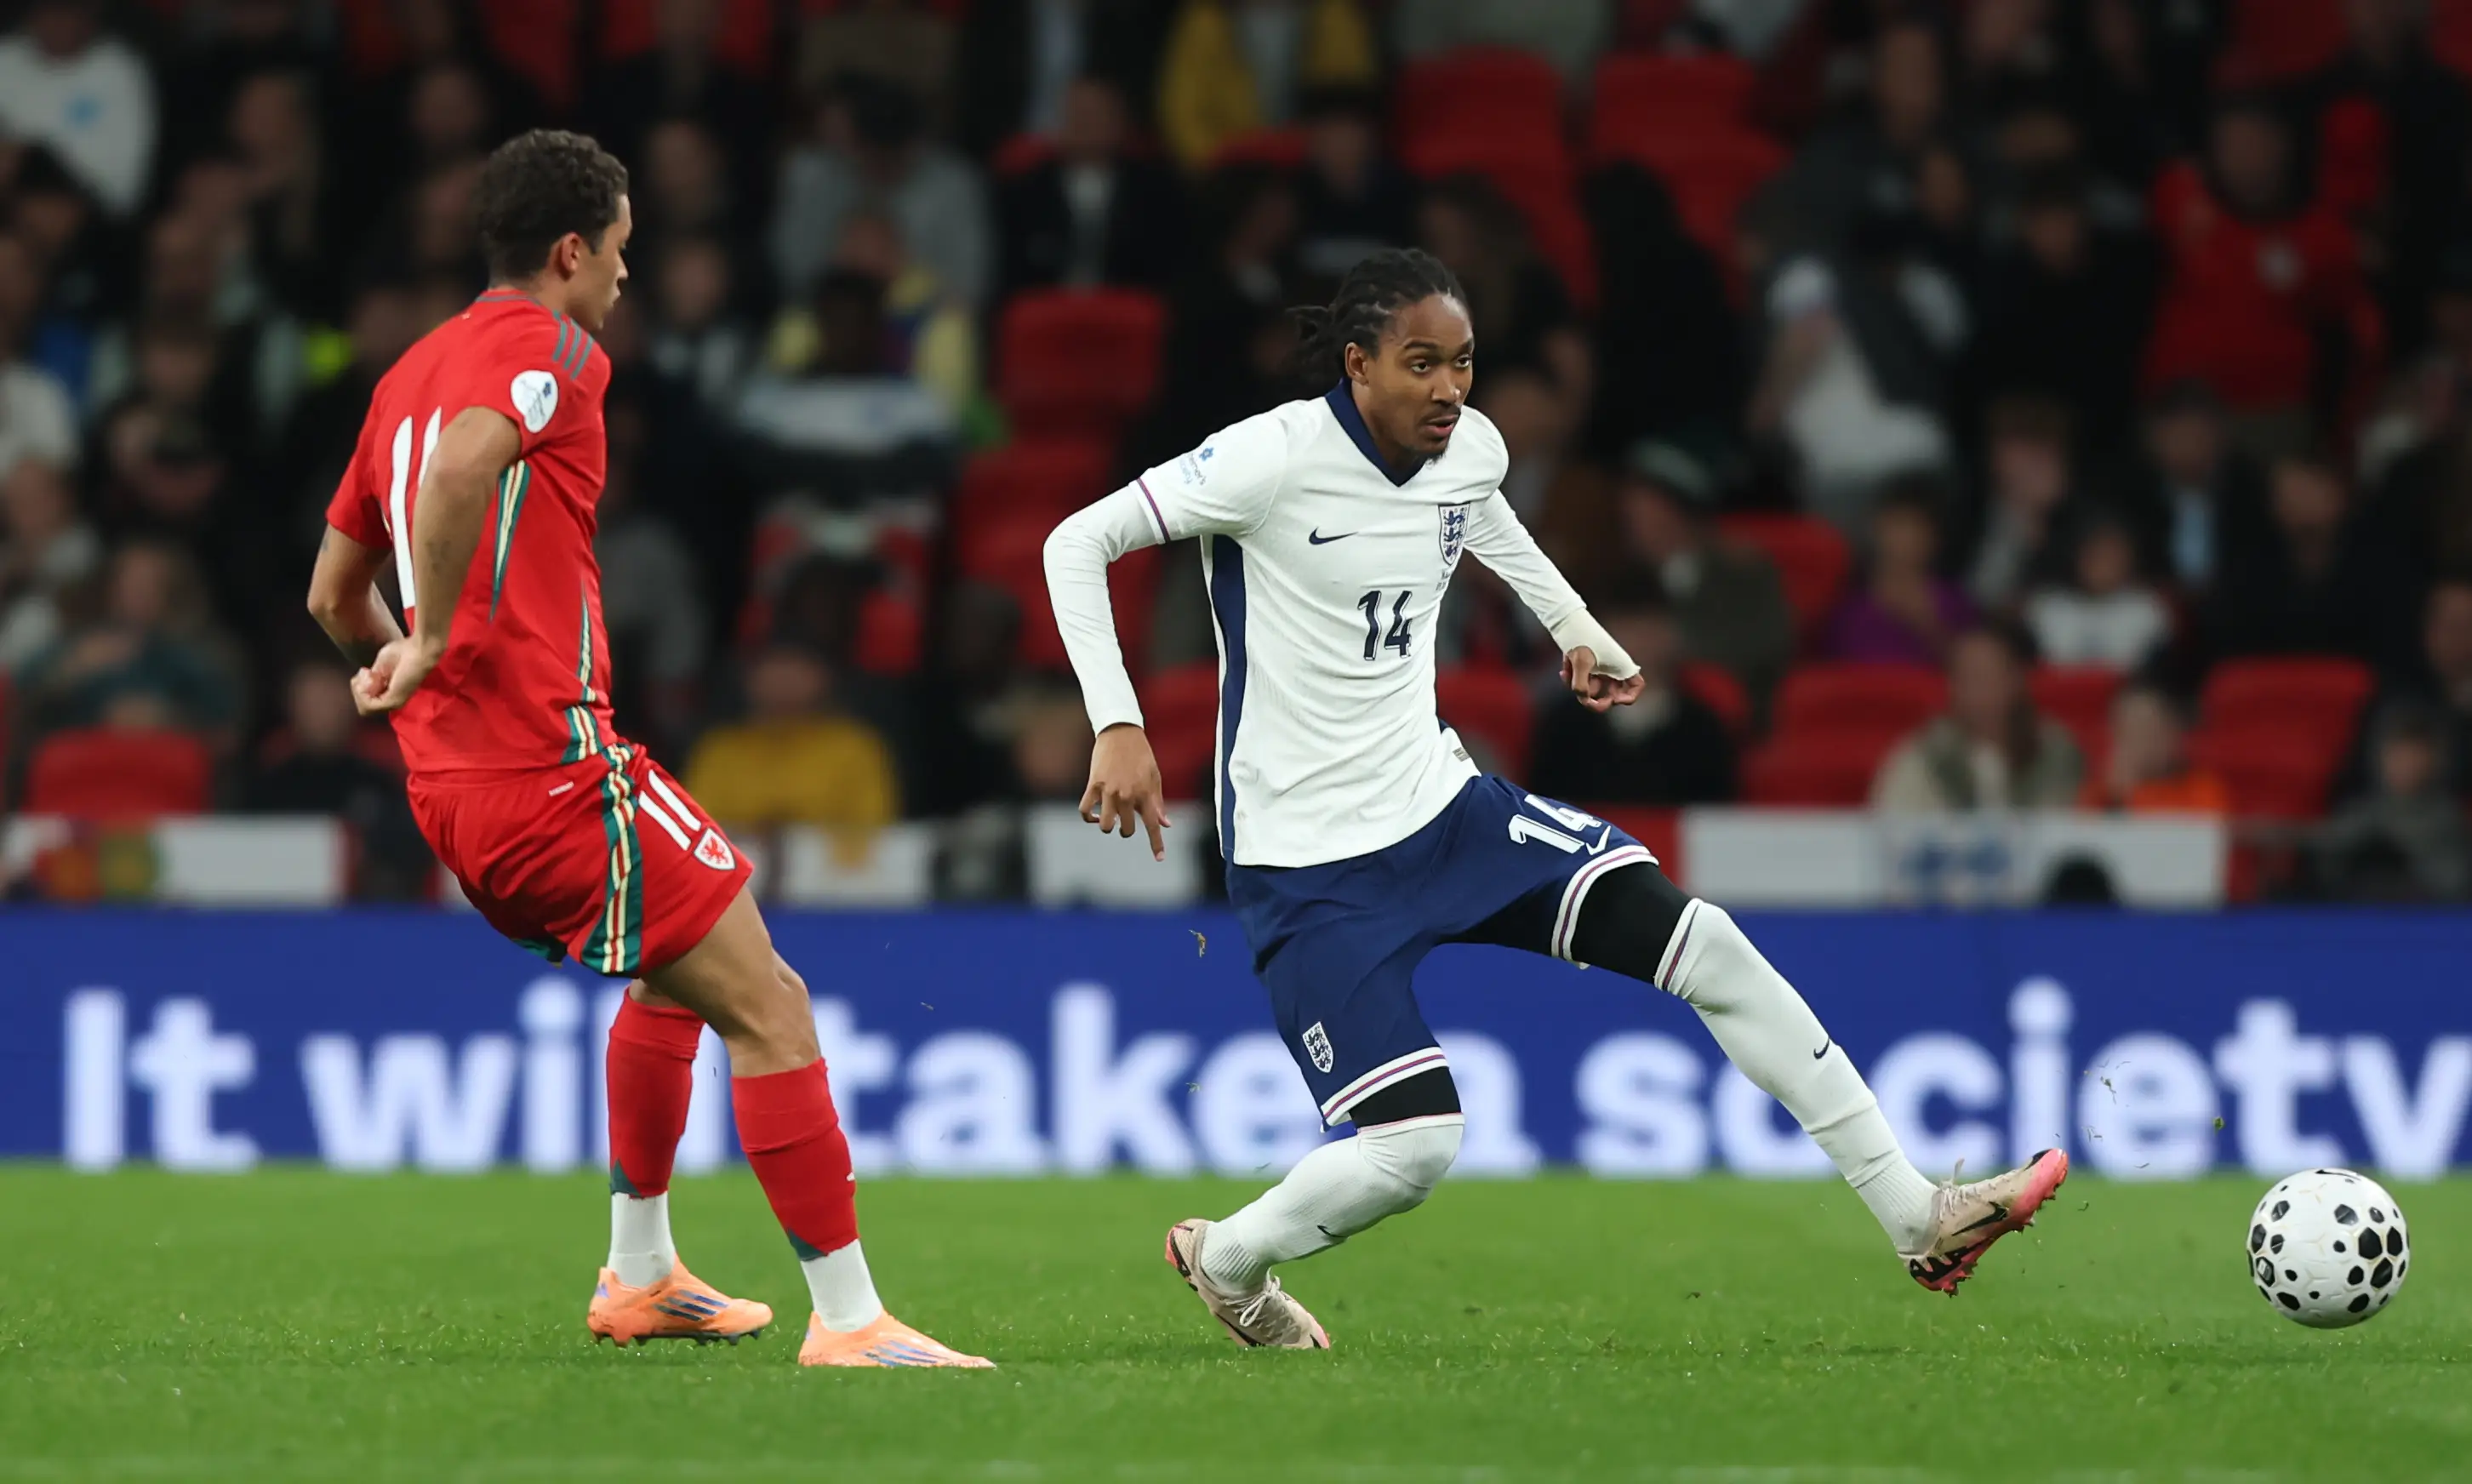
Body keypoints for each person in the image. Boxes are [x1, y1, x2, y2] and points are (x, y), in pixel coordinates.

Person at [1042, 248, 2068, 1349]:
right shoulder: (1270, 458)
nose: (1448, 388)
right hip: (1308, 863)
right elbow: (1076, 541)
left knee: (1706, 944)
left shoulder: (1466, 446)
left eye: (1464, 363)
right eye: (1420, 363)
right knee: (1415, 1147)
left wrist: (1571, 626)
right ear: (1357, 366)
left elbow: (1479, 513)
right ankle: (1229, 1259)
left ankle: (1917, 1213)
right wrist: (1117, 720)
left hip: (1444, 810)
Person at [303, 130, 988, 1370]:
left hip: (451, 786)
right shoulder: (554, 350)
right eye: (620, 249)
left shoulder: (408, 371)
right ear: (571, 252)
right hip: (550, 770)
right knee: (772, 1007)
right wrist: (445, 635)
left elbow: (330, 590)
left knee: (676, 974)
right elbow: (468, 465)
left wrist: (402, 657)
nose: (628, 273)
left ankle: (641, 1273)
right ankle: (850, 1323)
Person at [1527, 576, 1735, 806]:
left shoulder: (1703, 731)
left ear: (1674, 635)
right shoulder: (1564, 725)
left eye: (1651, 628)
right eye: (1628, 628)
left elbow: (1718, 820)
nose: (1640, 641)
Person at [1871, 619, 2085, 812]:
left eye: (1988, 675)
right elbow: (1893, 826)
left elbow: (2075, 826)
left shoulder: (2055, 751)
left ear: (2016, 679)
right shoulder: (1924, 754)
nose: (1978, 690)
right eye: (1967, 677)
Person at [1825, 478, 1976, 667]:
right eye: (1897, 525)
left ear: (1935, 539)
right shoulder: (1847, 611)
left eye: (1917, 528)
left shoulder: (1955, 603)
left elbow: (1976, 670)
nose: (1905, 540)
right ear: (1875, 529)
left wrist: (1927, 626)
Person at [2024, 514, 2172, 671]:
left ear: (2130, 561)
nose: (2103, 566)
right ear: (2079, 557)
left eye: (2113, 557)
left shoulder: (2148, 609)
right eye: (2097, 555)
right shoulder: (2046, 606)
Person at [2079, 679, 2229, 815]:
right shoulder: (2100, 792)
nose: (2141, 743)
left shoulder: (2203, 789)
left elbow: (2182, 834)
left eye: (2150, 730)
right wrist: (2116, 797)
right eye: (2130, 731)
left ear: (2173, 734)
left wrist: (2132, 794)